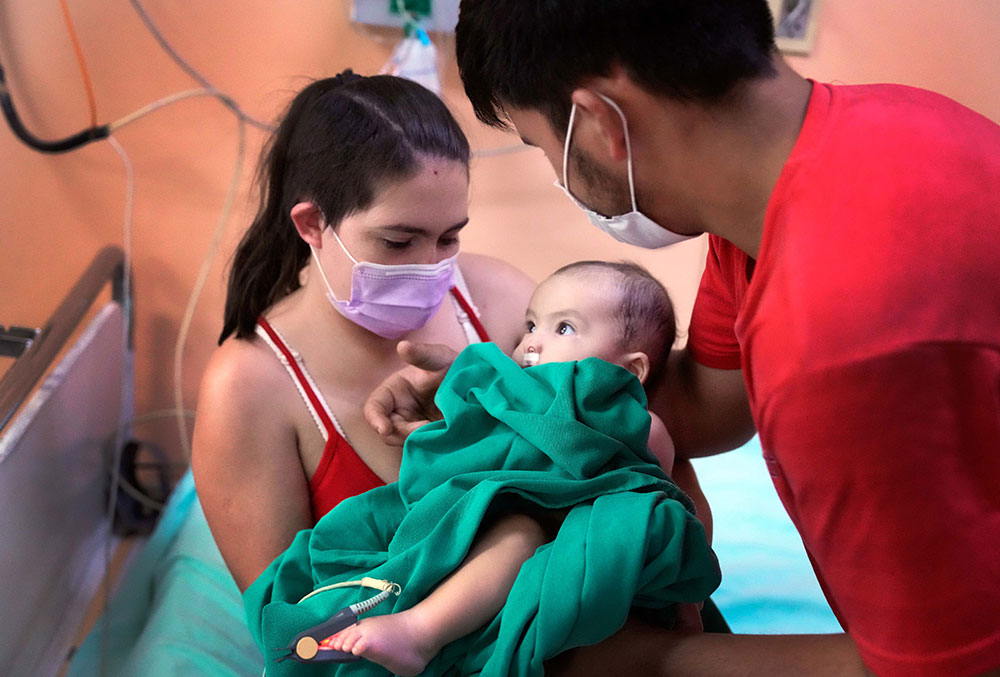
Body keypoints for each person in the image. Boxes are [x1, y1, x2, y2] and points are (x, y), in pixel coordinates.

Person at [365, 1, 1000, 675]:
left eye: (540, 144)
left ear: (604, 121)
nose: (556, 172)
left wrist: (650, 657)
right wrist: (512, 395)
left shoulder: (838, 341)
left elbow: (946, 667)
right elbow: (702, 403)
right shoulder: (866, 141)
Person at [248, 260, 719, 676]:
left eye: (564, 329)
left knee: (543, 535)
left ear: (631, 369)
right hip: (488, 517)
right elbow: (459, 454)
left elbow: (643, 498)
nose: (533, 343)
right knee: (511, 532)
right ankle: (415, 626)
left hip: (567, 536)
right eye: (531, 324)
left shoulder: (643, 425)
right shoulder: (502, 387)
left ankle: (420, 632)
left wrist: (682, 595)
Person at [191, 70, 535, 595]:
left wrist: (485, 412)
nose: (429, 268)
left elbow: (604, 462)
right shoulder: (248, 388)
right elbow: (294, 621)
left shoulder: (501, 302)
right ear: (311, 225)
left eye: (448, 238)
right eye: (399, 242)